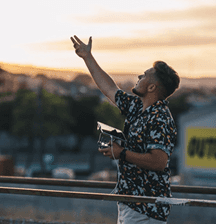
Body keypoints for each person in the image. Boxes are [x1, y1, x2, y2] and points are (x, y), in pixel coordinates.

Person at [70, 35, 180, 224]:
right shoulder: (138, 106)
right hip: (131, 203)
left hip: (146, 207)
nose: (139, 76)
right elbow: (109, 88)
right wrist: (88, 57)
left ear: (152, 87)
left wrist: (121, 153)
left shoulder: (160, 117)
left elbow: (159, 161)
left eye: (145, 75)